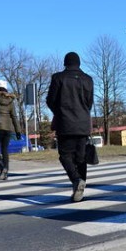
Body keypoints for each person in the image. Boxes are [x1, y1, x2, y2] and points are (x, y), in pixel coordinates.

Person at [46, 52, 94, 202]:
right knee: (81, 158)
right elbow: (89, 102)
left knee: (65, 155)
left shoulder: (58, 78)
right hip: (83, 123)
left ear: (65, 63)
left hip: (65, 122)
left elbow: (50, 100)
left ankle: (76, 180)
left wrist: (59, 112)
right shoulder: (88, 79)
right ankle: (80, 187)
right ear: (79, 63)